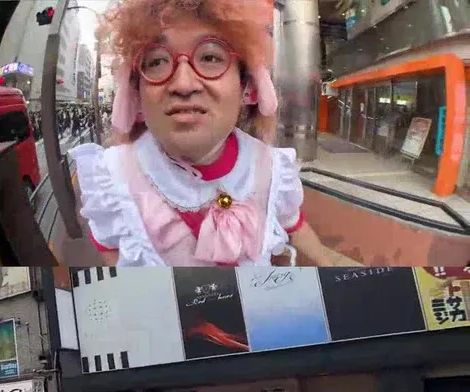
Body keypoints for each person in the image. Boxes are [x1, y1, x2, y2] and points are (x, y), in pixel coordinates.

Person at [68, 0, 345, 267]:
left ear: (247, 85)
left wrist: (331, 270)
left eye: (211, 57)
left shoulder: (272, 170)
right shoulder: (113, 179)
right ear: (136, 93)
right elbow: (108, 245)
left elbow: (293, 223)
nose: (183, 84)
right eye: (157, 62)